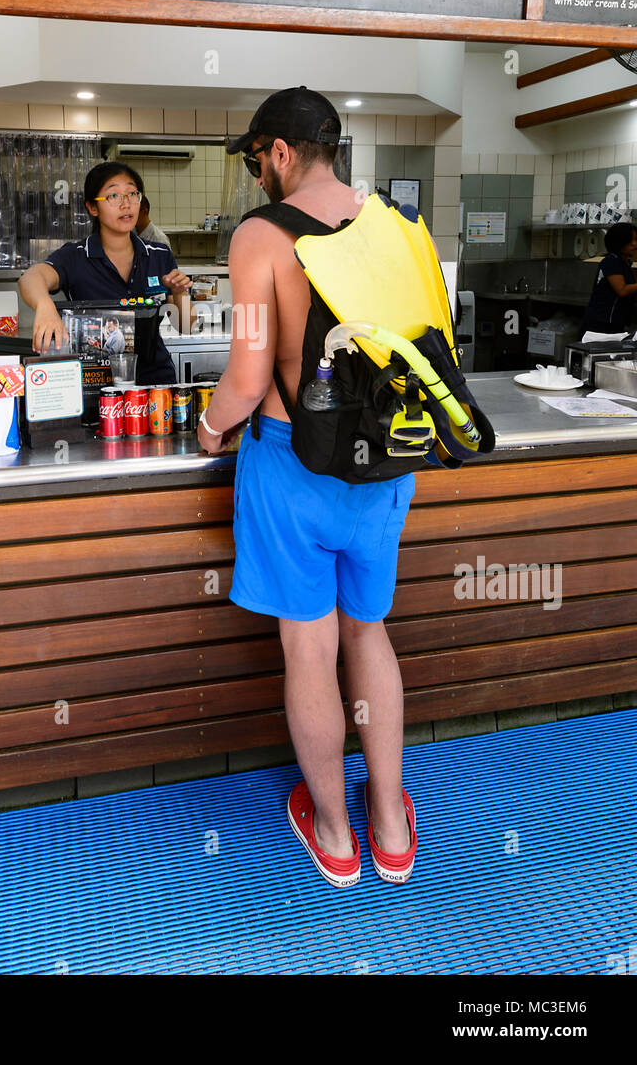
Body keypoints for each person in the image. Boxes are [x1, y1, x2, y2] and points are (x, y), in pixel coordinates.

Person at [196, 86, 417, 889]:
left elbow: (250, 373)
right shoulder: (389, 223)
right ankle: (390, 825)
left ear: (281, 153)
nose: (258, 174)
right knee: (369, 637)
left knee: (309, 647)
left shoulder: (261, 237)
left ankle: (334, 833)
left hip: (294, 465)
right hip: (384, 466)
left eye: (257, 159)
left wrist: (212, 426)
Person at [18, 161, 191, 383]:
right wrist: (44, 305)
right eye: (113, 196)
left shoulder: (159, 254)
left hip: (155, 382)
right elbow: (31, 278)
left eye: (132, 193)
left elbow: (186, 326)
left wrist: (179, 294)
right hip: (96, 385)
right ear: (92, 207)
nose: (126, 203)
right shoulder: (76, 256)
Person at [577, 223, 637, 337]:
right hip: (601, 324)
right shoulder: (611, 261)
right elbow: (622, 290)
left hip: (616, 322)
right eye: (630, 240)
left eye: (636, 239)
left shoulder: (625, 263)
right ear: (619, 241)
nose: (634, 244)